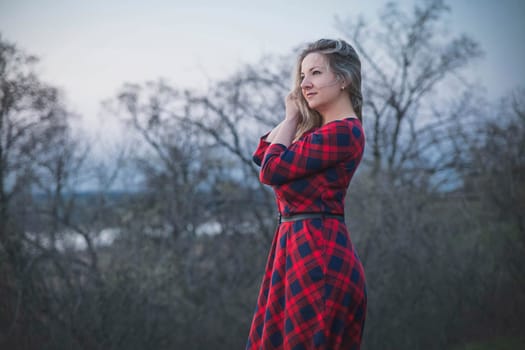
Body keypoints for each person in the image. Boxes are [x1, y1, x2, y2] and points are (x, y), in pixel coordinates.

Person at [246, 38, 367, 350]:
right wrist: (297, 117)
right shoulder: (316, 133)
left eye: (315, 73)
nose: (304, 84)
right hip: (294, 248)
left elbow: (271, 171)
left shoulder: (344, 131)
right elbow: (263, 152)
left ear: (343, 79)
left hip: (319, 254)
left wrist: (290, 118)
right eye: (302, 76)